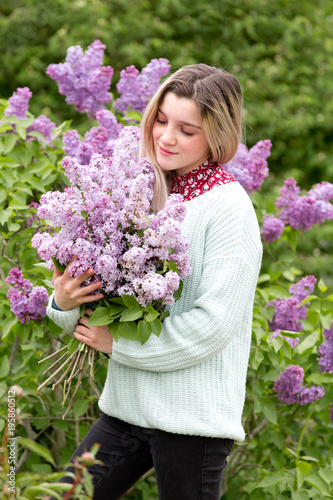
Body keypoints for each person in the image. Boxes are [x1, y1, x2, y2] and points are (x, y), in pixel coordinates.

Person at [47, 64, 262, 500]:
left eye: (187, 129)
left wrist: (118, 345)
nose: (166, 137)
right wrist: (66, 301)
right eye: (161, 120)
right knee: (59, 496)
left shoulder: (229, 211)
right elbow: (105, 314)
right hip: (125, 410)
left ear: (217, 137)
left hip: (192, 423)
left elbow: (211, 327)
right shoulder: (141, 190)